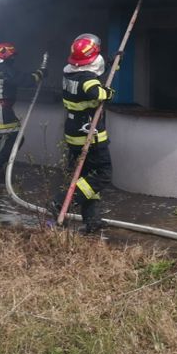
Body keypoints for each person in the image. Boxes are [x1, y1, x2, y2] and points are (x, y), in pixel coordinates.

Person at [55, 33, 115, 234]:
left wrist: (113, 63)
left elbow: (92, 77)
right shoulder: (87, 79)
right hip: (90, 134)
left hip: (74, 133)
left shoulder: (70, 73)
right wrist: (109, 93)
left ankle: (92, 220)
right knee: (103, 175)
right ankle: (62, 202)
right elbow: (98, 92)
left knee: (87, 177)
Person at [0, 42, 46, 181]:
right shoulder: (5, 69)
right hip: (0, 110)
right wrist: (41, 73)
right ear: (6, 56)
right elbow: (26, 80)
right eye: (12, 57)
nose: (13, 60)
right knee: (17, 137)